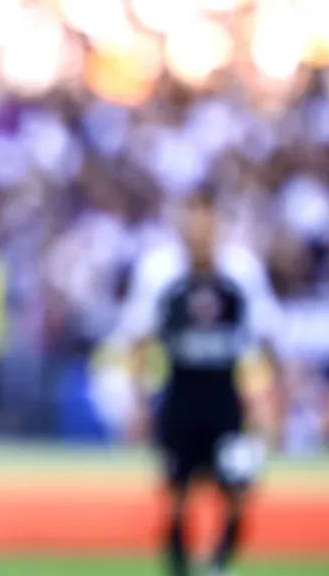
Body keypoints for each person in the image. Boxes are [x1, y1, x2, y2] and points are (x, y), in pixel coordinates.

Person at [113, 187, 284, 576]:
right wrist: (137, 405)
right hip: (180, 394)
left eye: (207, 222)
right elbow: (137, 341)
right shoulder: (159, 272)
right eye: (193, 222)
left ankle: (219, 561)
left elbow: (270, 339)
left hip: (225, 396)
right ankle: (179, 564)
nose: (200, 231)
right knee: (176, 491)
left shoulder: (242, 272)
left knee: (238, 484)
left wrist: (272, 405)